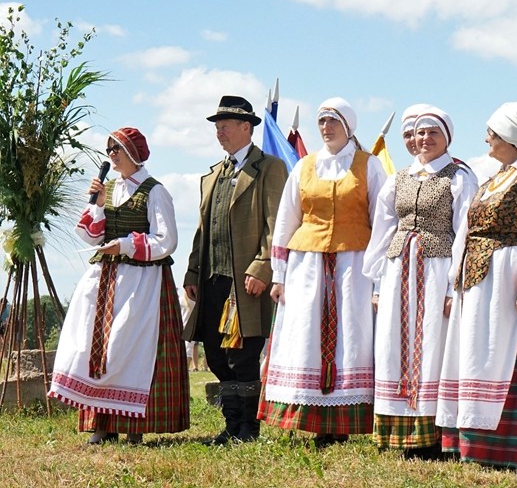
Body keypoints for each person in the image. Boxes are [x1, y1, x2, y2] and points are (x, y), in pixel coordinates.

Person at [435, 102, 517, 469]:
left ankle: (512, 448)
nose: (486, 139)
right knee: (479, 354)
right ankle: (475, 445)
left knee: (505, 355)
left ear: (511, 137)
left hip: (511, 280)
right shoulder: (497, 176)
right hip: (481, 282)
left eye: (492, 133)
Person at [48, 127, 189, 445]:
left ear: (135, 154)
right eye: (109, 149)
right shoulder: (108, 190)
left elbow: (167, 241)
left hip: (143, 283)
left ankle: (134, 428)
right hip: (107, 282)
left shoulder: (155, 192)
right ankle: (103, 425)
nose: (111, 154)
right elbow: (90, 235)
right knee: (100, 350)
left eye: (117, 149)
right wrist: (97, 204)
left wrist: (125, 245)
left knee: (134, 349)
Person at [259, 97, 387, 447]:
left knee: (352, 332)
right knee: (306, 333)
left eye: (333, 121)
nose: (326, 127)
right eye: (321, 121)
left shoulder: (369, 165)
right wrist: (279, 274)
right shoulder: (304, 166)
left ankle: (343, 422)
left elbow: (382, 222)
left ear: (348, 126)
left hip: (354, 263)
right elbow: (286, 220)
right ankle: (312, 418)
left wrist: (378, 277)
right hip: (307, 264)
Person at [363, 106, 477, 458]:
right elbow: (383, 231)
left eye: (431, 132)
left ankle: (432, 435)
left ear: (447, 136)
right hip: (399, 268)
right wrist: (379, 284)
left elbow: (465, 232)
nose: (423, 139)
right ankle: (398, 432)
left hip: (437, 266)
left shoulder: (458, 176)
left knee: (432, 345)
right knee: (394, 343)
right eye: (415, 133)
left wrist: (451, 286)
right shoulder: (397, 179)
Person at [183, 96, 288, 445]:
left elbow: (277, 224)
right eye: (217, 126)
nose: (220, 132)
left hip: (245, 281)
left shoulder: (270, 168)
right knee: (214, 352)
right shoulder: (213, 174)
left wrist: (263, 267)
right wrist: (193, 273)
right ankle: (231, 425)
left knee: (243, 354)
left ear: (247, 127)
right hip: (212, 279)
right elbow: (202, 229)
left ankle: (249, 428)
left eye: (226, 125)